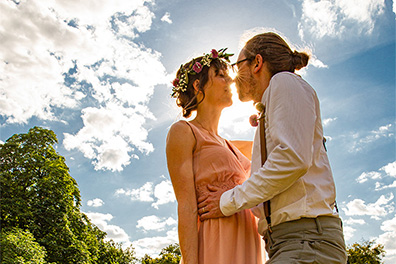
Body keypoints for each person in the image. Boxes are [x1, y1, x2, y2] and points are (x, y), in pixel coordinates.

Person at [197, 32, 348, 263]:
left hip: (306, 240)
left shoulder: (284, 81)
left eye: (237, 66)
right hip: (291, 241)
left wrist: (227, 201)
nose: (233, 78)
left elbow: (292, 159)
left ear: (257, 63)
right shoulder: (275, 100)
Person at [166, 49, 263, 264]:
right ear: (198, 86)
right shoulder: (184, 131)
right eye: (220, 74)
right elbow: (186, 206)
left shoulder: (231, 144)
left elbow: (276, 147)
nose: (229, 79)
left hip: (248, 237)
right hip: (216, 239)